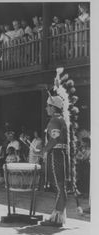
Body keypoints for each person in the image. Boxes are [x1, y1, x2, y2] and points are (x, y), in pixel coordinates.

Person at [40, 94, 68, 227]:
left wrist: (44, 150)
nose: (46, 108)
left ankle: (56, 218)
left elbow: (54, 139)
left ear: (53, 107)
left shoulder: (55, 120)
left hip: (56, 154)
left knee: (58, 185)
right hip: (60, 154)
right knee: (60, 185)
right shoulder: (60, 119)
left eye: (48, 106)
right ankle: (58, 216)